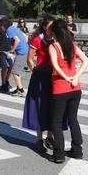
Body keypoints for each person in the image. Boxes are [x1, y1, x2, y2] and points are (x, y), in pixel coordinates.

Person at [49, 19, 88, 163]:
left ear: (54, 32)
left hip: (60, 88)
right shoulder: (72, 45)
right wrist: (75, 76)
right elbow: (86, 60)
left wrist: (66, 77)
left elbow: (55, 65)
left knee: (57, 122)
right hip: (75, 88)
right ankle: (77, 150)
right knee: (73, 120)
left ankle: (59, 154)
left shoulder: (54, 46)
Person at [22, 14, 55, 153]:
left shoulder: (57, 39)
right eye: (50, 26)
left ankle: (51, 137)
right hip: (41, 75)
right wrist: (35, 71)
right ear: (44, 26)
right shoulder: (37, 40)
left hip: (54, 76)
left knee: (53, 106)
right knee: (39, 106)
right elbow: (29, 59)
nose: (53, 28)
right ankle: (39, 139)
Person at [0, 17, 29, 97]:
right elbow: (25, 37)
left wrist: (12, 50)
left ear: (3, 25)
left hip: (21, 52)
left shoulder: (9, 30)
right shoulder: (14, 28)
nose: (0, 27)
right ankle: (19, 89)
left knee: (15, 72)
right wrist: (24, 45)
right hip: (24, 50)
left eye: (0, 25)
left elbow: (17, 40)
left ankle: (21, 91)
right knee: (17, 71)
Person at [0, 19, 12, 93]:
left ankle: (6, 81)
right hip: (2, 51)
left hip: (9, 51)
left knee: (11, 67)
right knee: (4, 67)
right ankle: (3, 83)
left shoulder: (8, 30)